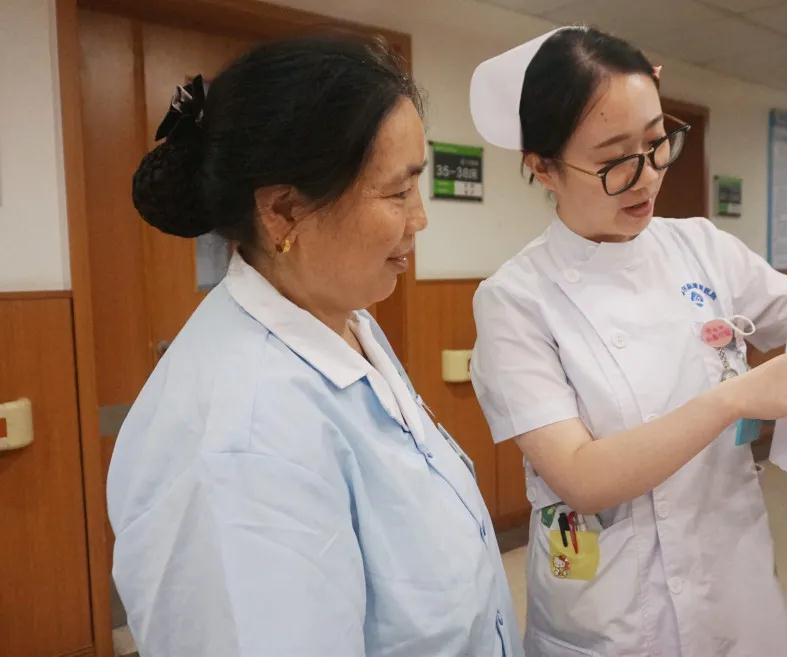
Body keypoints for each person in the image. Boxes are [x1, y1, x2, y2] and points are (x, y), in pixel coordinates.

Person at [469, 26, 787, 657]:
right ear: (542, 167)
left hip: (733, 584)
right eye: (614, 160)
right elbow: (580, 477)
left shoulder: (703, 248)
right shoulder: (515, 299)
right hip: (614, 615)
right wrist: (734, 398)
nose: (646, 177)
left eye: (656, 142)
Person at [108, 36, 521, 657]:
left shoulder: (343, 320)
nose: (420, 218)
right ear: (283, 212)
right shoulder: (244, 445)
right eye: (397, 192)